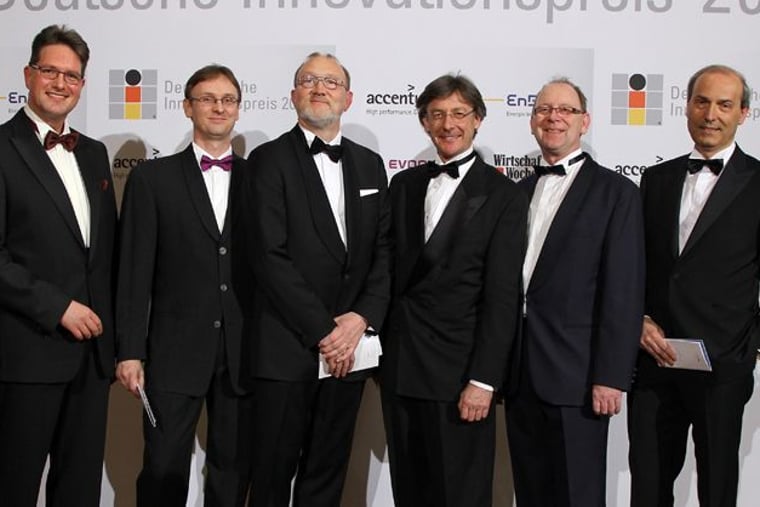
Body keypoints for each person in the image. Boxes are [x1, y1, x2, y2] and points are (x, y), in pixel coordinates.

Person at [232, 52, 391, 507]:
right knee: (271, 475)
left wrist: (360, 319)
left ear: (348, 99)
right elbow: (269, 257)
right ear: (293, 95)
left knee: (327, 472)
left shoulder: (370, 164)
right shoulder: (267, 160)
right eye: (309, 80)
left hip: (352, 350)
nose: (320, 88)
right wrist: (326, 333)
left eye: (331, 82)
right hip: (287, 347)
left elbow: (385, 252)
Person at [379, 74, 527, 507]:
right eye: (437, 114)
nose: (449, 124)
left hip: (460, 375)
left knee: (460, 494)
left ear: (478, 119)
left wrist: (484, 379)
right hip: (401, 368)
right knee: (410, 491)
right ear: (424, 122)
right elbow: (387, 273)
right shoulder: (403, 186)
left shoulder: (503, 195)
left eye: (459, 113)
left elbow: (503, 297)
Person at [115, 64, 250, 506]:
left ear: (238, 109)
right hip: (172, 352)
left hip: (243, 353)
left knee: (233, 471)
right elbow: (133, 272)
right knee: (162, 469)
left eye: (227, 100)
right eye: (207, 99)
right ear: (187, 107)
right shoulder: (152, 179)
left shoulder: (260, 178)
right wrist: (130, 350)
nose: (218, 108)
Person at [506, 77, 645, 507]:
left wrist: (611, 376)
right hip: (519, 375)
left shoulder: (616, 193)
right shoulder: (516, 192)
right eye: (544, 110)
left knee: (577, 496)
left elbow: (623, 291)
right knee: (531, 494)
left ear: (585, 122)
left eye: (565, 110)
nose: (554, 118)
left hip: (580, 378)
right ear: (532, 121)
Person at [629, 64, 760, 507]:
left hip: (721, 368)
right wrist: (637, 319)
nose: (711, 114)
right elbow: (637, 265)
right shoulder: (657, 179)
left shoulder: (758, 182)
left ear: (743, 113)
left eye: (724, 104)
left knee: (716, 489)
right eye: (702, 102)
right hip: (654, 360)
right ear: (686, 107)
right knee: (648, 487)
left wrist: (747, 347)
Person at [0, 25, 118, 506]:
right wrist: (58, 307)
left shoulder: (94, 154)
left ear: (83, 85)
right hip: (26, 354)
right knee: (13, 487)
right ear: (28, 74)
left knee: (79, 491)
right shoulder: (2, 148)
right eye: (50, 71)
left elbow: (103, 256)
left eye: (71, 75)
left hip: (91, 362)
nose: (60, 83)